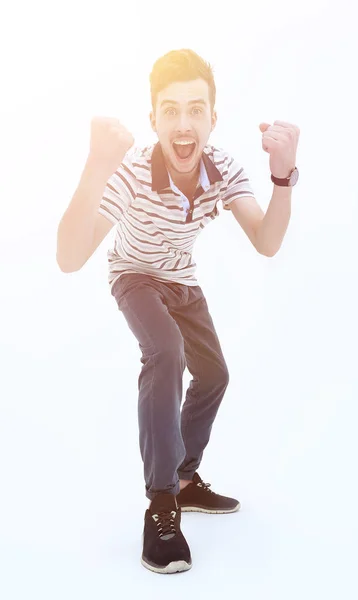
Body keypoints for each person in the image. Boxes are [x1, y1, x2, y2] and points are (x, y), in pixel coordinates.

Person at [56, 48, 300, 575]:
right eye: (170, 110)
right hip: (135, 276)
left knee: (214, 373)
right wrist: (97, 165)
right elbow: (69, 257)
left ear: (214, 118)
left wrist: (283, 179)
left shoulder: (223, 170)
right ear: (153, 121)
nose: (183, 123)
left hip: (181, 279)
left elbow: (266, 241)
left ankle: (185, 479)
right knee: (165, 352)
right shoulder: (133, 172)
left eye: (195, 109)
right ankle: (161, 504)